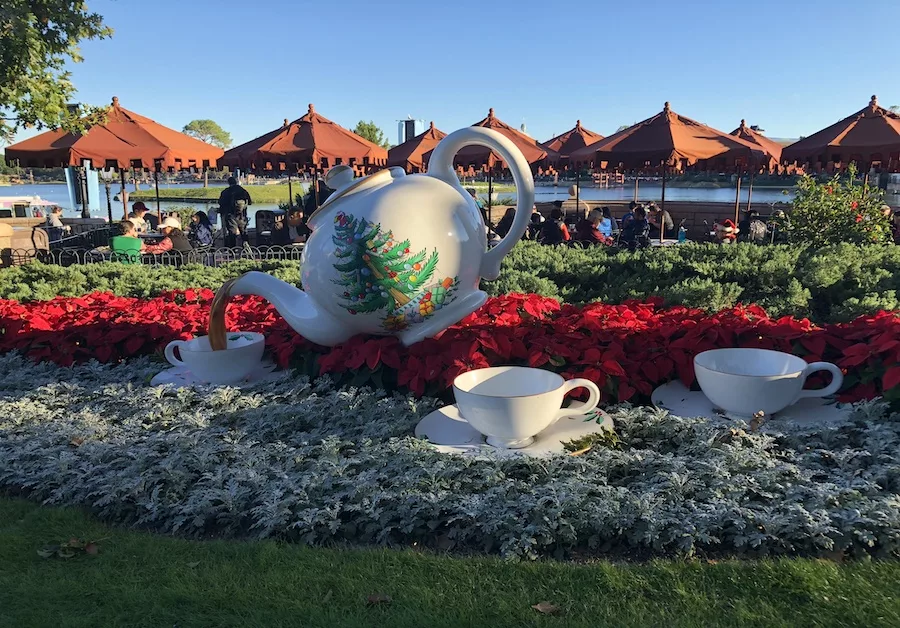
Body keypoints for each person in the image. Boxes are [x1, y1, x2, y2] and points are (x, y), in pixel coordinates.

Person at [218, 176, 252, 247]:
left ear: (229, 183)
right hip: (242, 216)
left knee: (232, 233)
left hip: (231, 215)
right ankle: (247, 249)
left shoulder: (226, 191)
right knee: (244, 232)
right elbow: (250, 202)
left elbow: (221, 202)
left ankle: (233, 251)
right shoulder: (243, 190)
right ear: (236, 182)